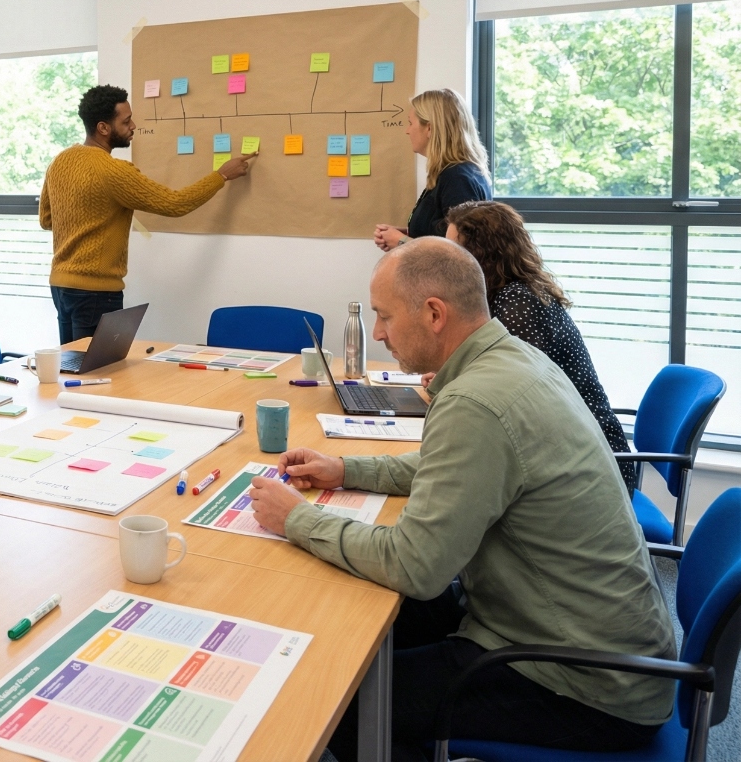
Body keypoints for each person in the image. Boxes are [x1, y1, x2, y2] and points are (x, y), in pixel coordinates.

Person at [249, 238, 674, 761]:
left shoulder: (476, 401)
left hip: (582, 684)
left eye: (384, 316)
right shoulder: (514, 360)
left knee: (335, 698)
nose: (378, 332)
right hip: (575, 636)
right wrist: (344, 469)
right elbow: (453, 466)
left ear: (433, 314)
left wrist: (298, 519)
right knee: (355, 627)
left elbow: (414, 566)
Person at [39, 84, 255, 344]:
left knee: (71, 364)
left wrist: (87, 216)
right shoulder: (114, 171)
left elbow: (47, 220)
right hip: (96, 292)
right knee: (98, 368)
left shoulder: (60, 162)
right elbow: (175, 204)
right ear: (103, 128)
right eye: (126, 121)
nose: (133, 126)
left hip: (61, 286)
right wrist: (221, 175)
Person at [447, 199, 636, 491]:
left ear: (482, 253)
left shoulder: (518, 304)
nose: (448, 261)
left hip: (592, 470)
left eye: (454, 251)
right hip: (571, 450)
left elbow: (511, 396)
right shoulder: (513, 292)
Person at [373, 88, 491, 251]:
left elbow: (460, 253)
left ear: (429, 128)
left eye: (410, 123)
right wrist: (407, 233)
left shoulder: (457, 179)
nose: (407, 131)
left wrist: (401, 242)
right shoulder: (452, 173)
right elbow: (443, 233)